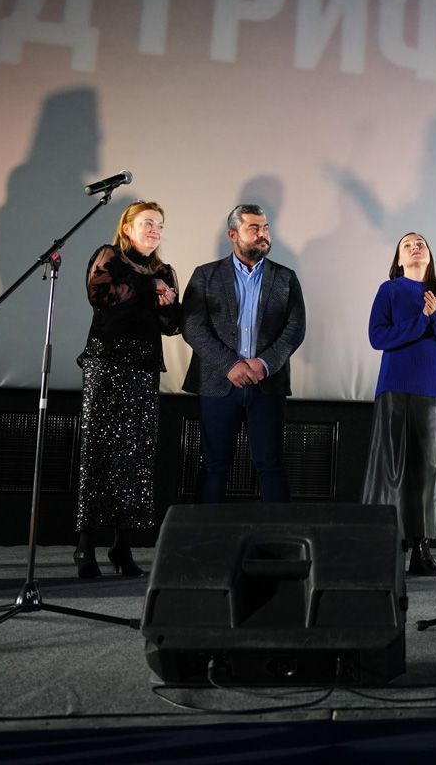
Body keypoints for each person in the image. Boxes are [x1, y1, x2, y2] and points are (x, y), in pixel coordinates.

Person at [73, 201, 182, 577]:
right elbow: (99, 296)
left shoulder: (164, 271)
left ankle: (122, 547)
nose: (155, 230)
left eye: (160, 225)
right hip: (107, 364)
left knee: (134, 458)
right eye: (148, 222)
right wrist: (148, 286)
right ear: (127, 228)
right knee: (98, 453)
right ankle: (85, 545)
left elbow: (171, 326)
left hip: (144, 368)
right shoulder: (110, 256)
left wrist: (167, 303)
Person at [361, 233, 436, 576]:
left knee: (428, 472)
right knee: (393, 471)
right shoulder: (389, 290)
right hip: (396, 386)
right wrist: (421, 319)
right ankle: (391, 546)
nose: (415, 247)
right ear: (398, 259)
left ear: (430, 254)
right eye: (407, 244)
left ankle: (422, 549)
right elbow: (378, 336)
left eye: (420, 242)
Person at [181, 204, 305, 503]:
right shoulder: (206, 275)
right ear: (233, 234)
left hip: (267, 384)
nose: (263, 234)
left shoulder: (285, 278)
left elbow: (295, 328)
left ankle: (277, 533)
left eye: (265, 228)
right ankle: (209, 533)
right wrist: (229, 364)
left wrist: (265, 364)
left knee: (271, 465)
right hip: (217, 384)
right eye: (254, 228)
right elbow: (192, 326)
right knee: (214, 465)